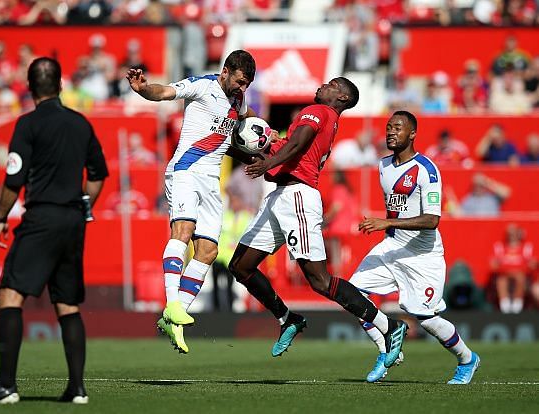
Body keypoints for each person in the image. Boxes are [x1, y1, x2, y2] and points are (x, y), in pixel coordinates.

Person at [228, 77, 408, 369]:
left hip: (298, 195)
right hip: (281, 196)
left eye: (332, 84)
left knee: (320, 281)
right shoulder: (321, 119)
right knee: (240, 266)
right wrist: (226, 145)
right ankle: (289, 318)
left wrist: (269, 163)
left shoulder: (319, 112)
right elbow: (275, 152)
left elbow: (295, 145)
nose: (324, 85)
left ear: (342, 98)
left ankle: (388, 325)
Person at [0, 57, 109, 404]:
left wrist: (0, 216)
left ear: (29, 88)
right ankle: (77, 389)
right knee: (67, 304)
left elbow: (14, 179)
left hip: (41, 217)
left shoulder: (27, 125)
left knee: (10, 294)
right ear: (60, 86)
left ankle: (6, 385)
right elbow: (99, 175)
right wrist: (85, 205)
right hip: (73, 220)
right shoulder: (80, 123)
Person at [126, 50, 260, 354]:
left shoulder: (238, 102)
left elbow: (239, 128)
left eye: (247, 84)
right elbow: (164, 92)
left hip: (212, 181)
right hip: (186, 170)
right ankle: (173, 302)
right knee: (182, 232)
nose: (242, 88)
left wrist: (264, 138)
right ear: (225, 72)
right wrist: (143, 88)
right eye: (239, 81)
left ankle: (173, 320)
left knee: (209, 251)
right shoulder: (203, 85)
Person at [348, 111, 480, 384]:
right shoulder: (383, 165)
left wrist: (385, 222)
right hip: (392, 247)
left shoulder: (427, 170)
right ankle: (387, 349)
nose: (391, 132)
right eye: (388, 128)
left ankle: (467, 359)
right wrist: (388, 226)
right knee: (351, 295)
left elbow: (432, 220)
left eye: (398, 128)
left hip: (423, 255)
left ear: (413, 134)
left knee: (427, 319)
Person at [490, 223, 536, 313]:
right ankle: (505, 308)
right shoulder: (500, 247)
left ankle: (516, 308)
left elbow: (532, 264)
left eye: (513, 233)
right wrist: (507, 270)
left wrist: (517, 270)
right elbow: (493, 264)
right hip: (504, 275)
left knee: (520, 278)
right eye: (509, 233)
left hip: (521, 275)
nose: (511, 236)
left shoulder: (526, 248)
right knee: (501, 280)